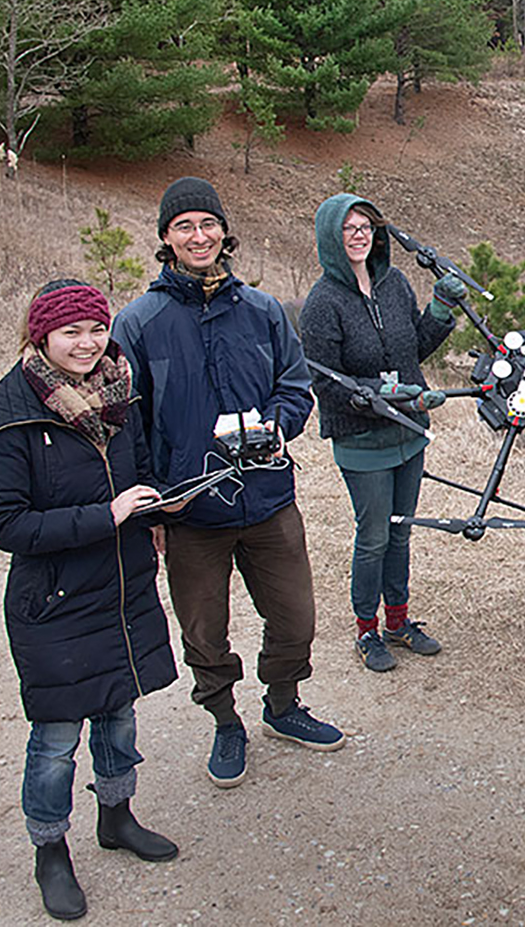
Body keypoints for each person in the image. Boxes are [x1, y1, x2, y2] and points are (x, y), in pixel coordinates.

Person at [112, 176, 343, 790]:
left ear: (223, 233)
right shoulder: (138, 323)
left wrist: (278, 426)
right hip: (191, 511)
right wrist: (153, 511)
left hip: (268, 498)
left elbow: (295, 388)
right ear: (165, 238)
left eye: (207, 224)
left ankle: (283, 704)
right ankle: (224, 720)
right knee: (204, 633)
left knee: (296, 619)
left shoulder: (263, 311)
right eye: (184, 226)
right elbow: (129, 426)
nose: (198, 236)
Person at [0, 280, 179, 920]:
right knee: (58, 737)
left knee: (119, 714)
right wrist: (108, 516)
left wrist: (155, 515)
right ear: (41, 338)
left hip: (122, 586)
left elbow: (140, 465)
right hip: (55, 600)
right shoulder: (9, 410)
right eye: (72, 332)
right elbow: (5, 525)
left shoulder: (121, 391)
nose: (88, 343)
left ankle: (116, 816)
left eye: (97, 328)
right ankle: (50, 852)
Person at [299, 194, 463, 672]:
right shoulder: (322, 304)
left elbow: (413, 350)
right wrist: (394, 396)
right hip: (362, 443)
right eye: (348, 228)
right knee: (372, 537)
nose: (358, 235)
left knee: (400, 533)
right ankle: (366, 631)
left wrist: (439, 310)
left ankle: (398, 621)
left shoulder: (393, 285)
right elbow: (328, 387)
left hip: (409, 435)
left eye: (366, 227)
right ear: (330, 237)